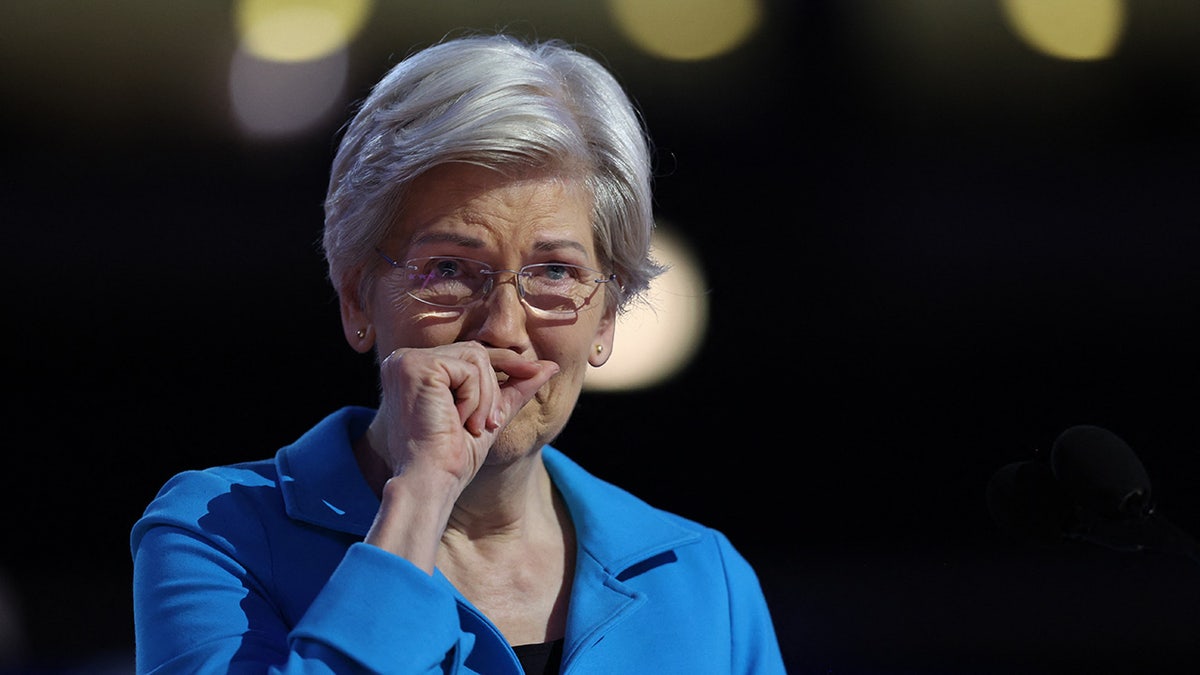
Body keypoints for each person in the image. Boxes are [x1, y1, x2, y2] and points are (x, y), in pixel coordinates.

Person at [130, 32, 787, 674]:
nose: (503, 327)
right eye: (449, 267)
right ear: (358, 298)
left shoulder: (705, 580)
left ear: (607, 316)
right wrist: (420, 497)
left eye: (555, 273)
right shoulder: (219, 532)